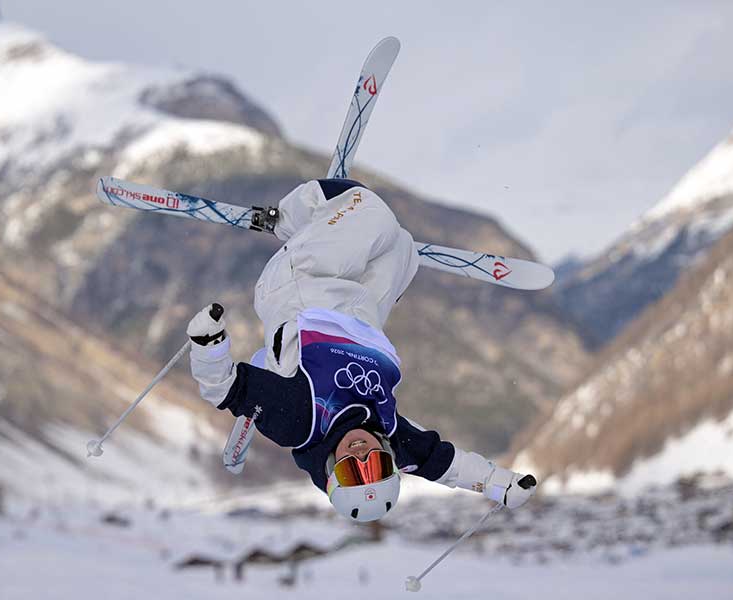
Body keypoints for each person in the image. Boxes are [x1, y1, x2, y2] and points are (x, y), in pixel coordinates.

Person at [188, 179, 537, 521]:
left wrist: (208, 346)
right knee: (402, 247)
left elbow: (224, 389)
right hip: (360, 313)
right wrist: (499, 484)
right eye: (378, 466)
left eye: (352, 472)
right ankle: (339, 229)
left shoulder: (301, 421)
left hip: (302, 286)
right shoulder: (389, 434)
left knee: (371, 211)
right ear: (392, 462)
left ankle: (292, 219)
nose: (362, 456)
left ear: (330, 470)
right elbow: (442, 464)